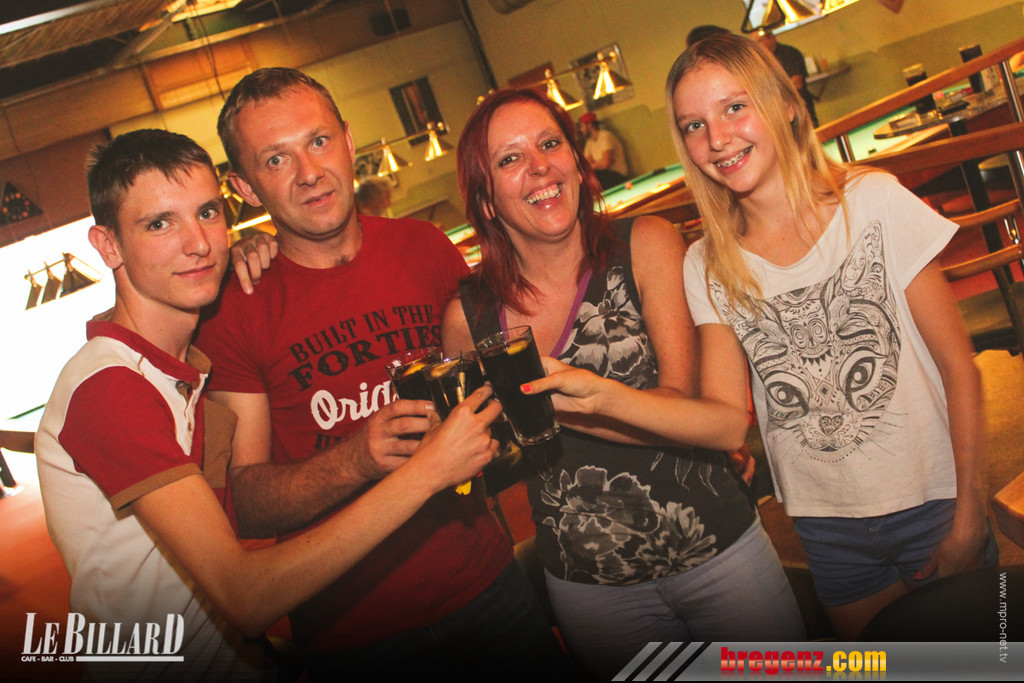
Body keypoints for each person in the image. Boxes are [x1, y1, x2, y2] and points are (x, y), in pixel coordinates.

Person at [527, 33, 998, 641]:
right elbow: (726, 420)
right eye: (694, 125)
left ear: (786, 105)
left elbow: (959, 368)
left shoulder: (873, 203)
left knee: (979, 664)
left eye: (734, 107)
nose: (718, 138)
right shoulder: (708, 263)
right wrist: (600, 395)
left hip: (933, 500)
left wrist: (969, 512)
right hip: (826, 526)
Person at [34, 129, 501, 681]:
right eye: (159, 224)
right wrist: (427, 471)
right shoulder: (110, 386)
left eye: (207, 213)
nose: (197, 243)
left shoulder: (181, 367)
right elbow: (246, 596)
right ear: (108, 245)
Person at [195, 68, 571, 681]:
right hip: (355, 637)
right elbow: (246, 502)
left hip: (489, 586)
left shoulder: (425, 247)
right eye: (276, 159)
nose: (309, 172)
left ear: (348, 141)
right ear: (245, 187)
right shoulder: (233, 307)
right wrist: (358, 459)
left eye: (319, 141)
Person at [443, 87, 804, 680]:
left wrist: (549, 406)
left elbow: (684, 406)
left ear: (577, 161)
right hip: (590, 588)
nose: (539, 166)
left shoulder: (646, 244)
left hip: (714, 548)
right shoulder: (469, 319)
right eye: (509, 159)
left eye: (549, 144)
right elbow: (479, 459)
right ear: (485, 200)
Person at [755, 29, 818, 127]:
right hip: (777, 113)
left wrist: (771, 93)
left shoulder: (790, 53)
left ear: (771, 38)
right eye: (755, 43)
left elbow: (797, 83)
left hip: (799, 105)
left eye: (760, 41)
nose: (758, 45)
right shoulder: (759, 61)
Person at [580, 111, 629, 189]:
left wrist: (595, 164)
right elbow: (586, 166)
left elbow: (606, 164)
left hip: (617, 175)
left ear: (589, 125)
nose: (581, 130)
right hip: (604, 176)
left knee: (593, 178)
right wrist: (599, 163)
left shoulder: (605, 136)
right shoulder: (590, 143)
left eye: (582, 126)